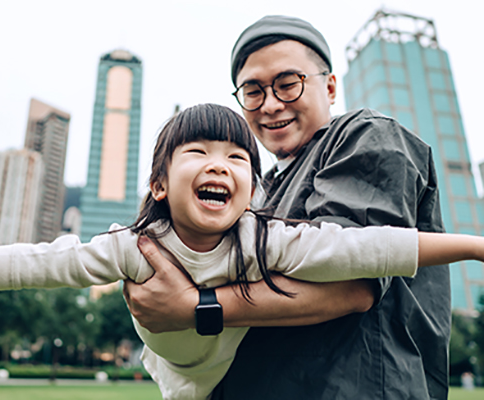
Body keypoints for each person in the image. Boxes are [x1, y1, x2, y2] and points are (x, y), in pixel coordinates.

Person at [0, 104, 466, 399]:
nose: (220, 164)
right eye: (199, 152)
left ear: (254, 192)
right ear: (160, 185)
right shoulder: (133, 249)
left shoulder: (268, 241)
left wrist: (476, 248)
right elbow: (29, 263)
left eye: (238, 158)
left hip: (226, 373)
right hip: (178, 381)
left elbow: (374, 248)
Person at [123, 16, 451, 399]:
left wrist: (196, 307)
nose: (271, 105)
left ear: (329, 87)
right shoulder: (258, 191)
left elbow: (352, 283)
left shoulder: (365, 136)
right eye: (253, 91)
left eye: (288, 84)